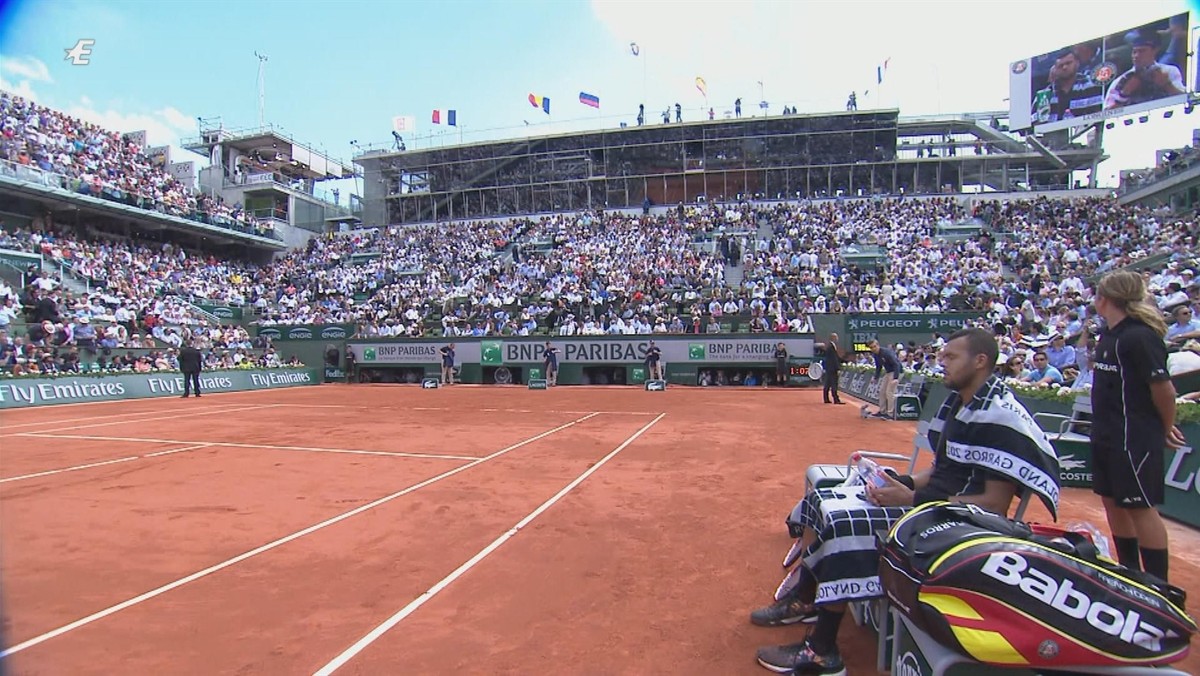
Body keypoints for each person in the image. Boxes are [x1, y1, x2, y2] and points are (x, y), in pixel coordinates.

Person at [751, 328, 1060, 674]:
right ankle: (806, 599)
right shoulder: (961, 402)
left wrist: (911, 498)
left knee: (843, 523)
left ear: (980, 361)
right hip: (928, 503)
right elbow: (940, 473)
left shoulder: (1000, 418)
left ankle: (823, 652)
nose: (941, 363)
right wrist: (900, 482)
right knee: (821, 500)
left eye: (950, 357)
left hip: (958, 525)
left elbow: (992, 507)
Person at [1090, 270, 1186, 582]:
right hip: (1107, 434)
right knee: (1112, 502)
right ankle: (1129, 573)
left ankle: (1158, 585)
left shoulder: (1139, 336)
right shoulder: (1109, 335)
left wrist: (1164, 426)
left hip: (1133, 436)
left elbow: (1164, 389)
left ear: (1104, 299)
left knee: (1139, 507)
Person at [1104, 29, 1185, 110]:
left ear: (1154, 50)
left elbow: (1185, 99)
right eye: (1134, 52)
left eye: (1142, 51)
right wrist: (1124, 94)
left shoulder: (1169, 71)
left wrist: (1167, 85)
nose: (1136, 56)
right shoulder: (1121, 80)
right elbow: (1106, 114)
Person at [867, 339, 902, 418]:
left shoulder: (886, 353)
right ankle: (882, 411)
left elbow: (896, 364)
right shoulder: (875, 355)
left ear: (878, 345)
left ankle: (890, 413)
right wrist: (875, 377)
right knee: (882, 391)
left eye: (875, 346)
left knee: (889, 392)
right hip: (888, 372)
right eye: (871, 347)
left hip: (896, 371)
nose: (873, 349)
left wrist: (895, 378)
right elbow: (878, 367)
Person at [815, 333, 844, 404]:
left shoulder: (830, 346)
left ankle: (826, 399)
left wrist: (844, 361)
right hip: (832, 369)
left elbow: (836, 358)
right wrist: (837, 368)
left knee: (827, 384)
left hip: (829, 368)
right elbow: (834, 359)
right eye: (836, 337)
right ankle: (836, 400)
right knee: (834, 384)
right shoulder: (831, 347)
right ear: (833, 338)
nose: (837, 338)